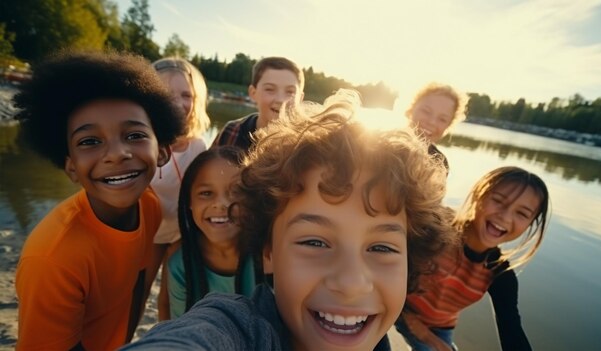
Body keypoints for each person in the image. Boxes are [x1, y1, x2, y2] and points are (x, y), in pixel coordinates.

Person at [121, 89, 457, 351]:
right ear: (268, 251)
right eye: (314, 241)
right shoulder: (235, 327)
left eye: (382, 247)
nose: (351, 282)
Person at [13, 51, 185, 350]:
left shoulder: (150, 206)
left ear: (163, 151)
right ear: (70, 166)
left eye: (134, 135)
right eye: (89, 141)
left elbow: (135, 289)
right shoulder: (52, 259)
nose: (117, 153)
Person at [395, 166, 550, 351]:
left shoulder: (499, 274)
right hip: (399, 309)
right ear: (479, 194)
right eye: (499, 200)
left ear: (529, 225)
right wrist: (422, 333)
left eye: (522, 213)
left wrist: (433, 338)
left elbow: (512, 332)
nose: (505, 216)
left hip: (442, 326)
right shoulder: (434, 226)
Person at [167, 146, 260, 319]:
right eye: (206, 193)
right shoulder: (181, 265)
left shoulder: (269, 256)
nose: (221, 204)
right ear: (189, 202)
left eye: (235, 191)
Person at [150, 57, 210, 321]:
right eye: (166, 94)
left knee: (169, 297)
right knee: (135, 292)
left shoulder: (197, 147)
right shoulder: (137, 141)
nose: (177, 102)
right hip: (145, 234)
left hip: (179, 233)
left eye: (186, 95)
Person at [212, 56, 304, 151]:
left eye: (290, 92)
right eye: (270, 89)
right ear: (253, 93)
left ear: (300, 98)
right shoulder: (231, 132)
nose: (280, 100)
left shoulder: (305, 145)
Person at [405, 82, 468, 171]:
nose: (432, 122)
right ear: (411, 108)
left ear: (449, 125)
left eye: (442, 119)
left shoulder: (440, 164)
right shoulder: (382, 145)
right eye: (426, 111)